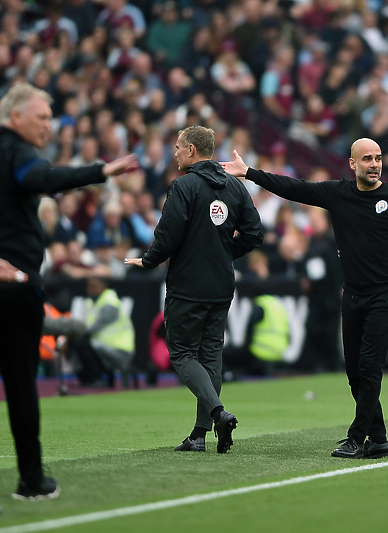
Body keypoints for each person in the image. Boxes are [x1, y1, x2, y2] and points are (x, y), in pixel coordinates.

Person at [221, 138, 388, 459]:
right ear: (352, 164)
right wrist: (250, 173)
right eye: (367, 159)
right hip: (354, 295)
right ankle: (378, 440)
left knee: (369, 366)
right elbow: (294, 187)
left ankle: (356, 436)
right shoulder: (339, 194)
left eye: (378, 158)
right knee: (354, 373)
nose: (374, 164)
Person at [0, 82, 136, 500]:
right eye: (42, 117)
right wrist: (99, 171)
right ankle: (31, 480)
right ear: (15, 116)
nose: (49, 126)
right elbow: (41, 177)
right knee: (22, 385)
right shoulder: (17, 154)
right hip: (15, 286)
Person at [125, 126, 263, 454]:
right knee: (210, 356)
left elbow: (168, 235)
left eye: (176, 147)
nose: (173, 153)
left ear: (190, 150)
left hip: (187, 287)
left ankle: (218, 413)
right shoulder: (235, 186)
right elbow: (254, 234)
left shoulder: (183, 187)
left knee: (183, 354)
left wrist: (148, 261)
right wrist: (223, 251)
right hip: (220, 286)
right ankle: (200, 435)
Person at [68, 276, 136, 388]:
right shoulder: (91, 302)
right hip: (103, 346)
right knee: (78, 342)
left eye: (93, 286)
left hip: (119, 350)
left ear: (103, 287)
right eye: (88, 285)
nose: (89, 288)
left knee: (81, 343)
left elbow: (91, 329)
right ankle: (87, 378)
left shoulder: (110, 304)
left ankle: (95, 378)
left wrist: (71, 334)